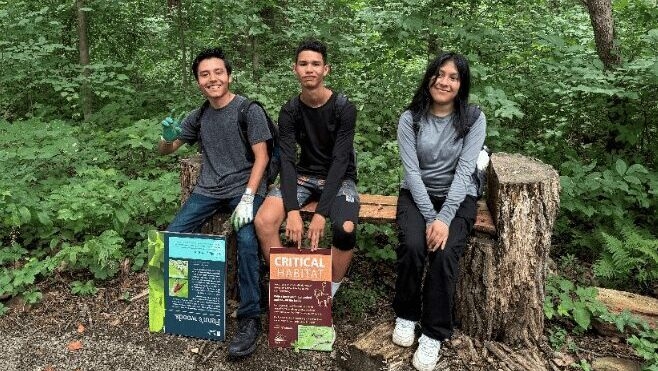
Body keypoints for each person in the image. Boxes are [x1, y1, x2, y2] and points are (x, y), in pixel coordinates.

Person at [158, 47, 271, 358]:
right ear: (198, 81)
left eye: (217, 72)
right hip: (208, 189)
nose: (212, 79)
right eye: (204, 74)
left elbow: (263, 157)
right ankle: (187, 303)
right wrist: (167, 137)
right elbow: (166, 150)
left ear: (229, 75)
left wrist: (249, 198)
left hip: (245, 188)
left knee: (247, 240)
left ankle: (250, 317)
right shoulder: (199, 115)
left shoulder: (250, 111)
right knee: (173, 236)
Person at [391, 52, 486, 371]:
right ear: (430, 77)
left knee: (445, 254)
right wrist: (431, 219)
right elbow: (413, 172)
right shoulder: (411, 118)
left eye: (453, 77)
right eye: (440, 74)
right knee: (414, 245)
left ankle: (433, 333)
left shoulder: (473, 118)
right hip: (416, 196)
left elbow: (464, 172)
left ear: (461, 84)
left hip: (459, 198)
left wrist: (444, 219)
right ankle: (406, 314)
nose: (445, 82)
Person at [254, 40, 359, 298]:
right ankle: (290, 285)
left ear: (326, 69)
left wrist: (321, 213)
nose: (309, 69)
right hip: (303, 175)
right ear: (295, 69)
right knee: (264, 221)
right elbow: (288, 160)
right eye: (303, 64)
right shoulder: (290, 111)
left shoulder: (343, 108)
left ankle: (328, 292)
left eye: (315, 64)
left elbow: (340, 161)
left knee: (345, 228)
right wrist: (292, 209)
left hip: (339, 177)